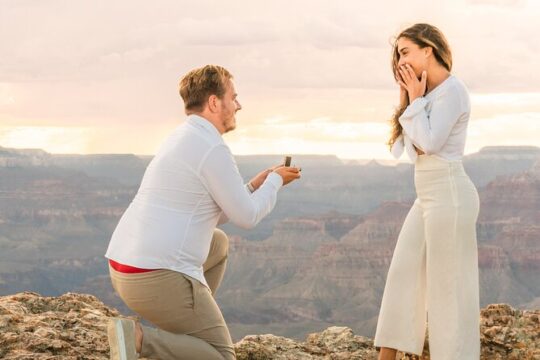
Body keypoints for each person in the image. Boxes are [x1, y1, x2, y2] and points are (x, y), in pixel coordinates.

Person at [104, 64, 301, 360]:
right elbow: (247, 218)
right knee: (221, 355)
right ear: (213, 102)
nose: (238, 105)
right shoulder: (212, 147)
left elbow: (210, 211)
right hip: (152, 275)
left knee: (218, 242)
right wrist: (275, 181)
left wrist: (251, 187)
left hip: (125, 268)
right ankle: (140, 340)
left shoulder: (182, 137)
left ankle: (189, 330)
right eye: (233, 97)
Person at [374, 23, 480, 359]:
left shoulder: (454, 90)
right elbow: (405, 149)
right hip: (428, 198)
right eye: (397, 56)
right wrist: (410, 99)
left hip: (449, 196)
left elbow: (430, 143)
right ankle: (386, 356)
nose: (399, 61)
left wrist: (416, 102)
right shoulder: (428, 96)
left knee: (448, 294)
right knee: (403, 276)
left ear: (427, 49)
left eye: (404, 52)